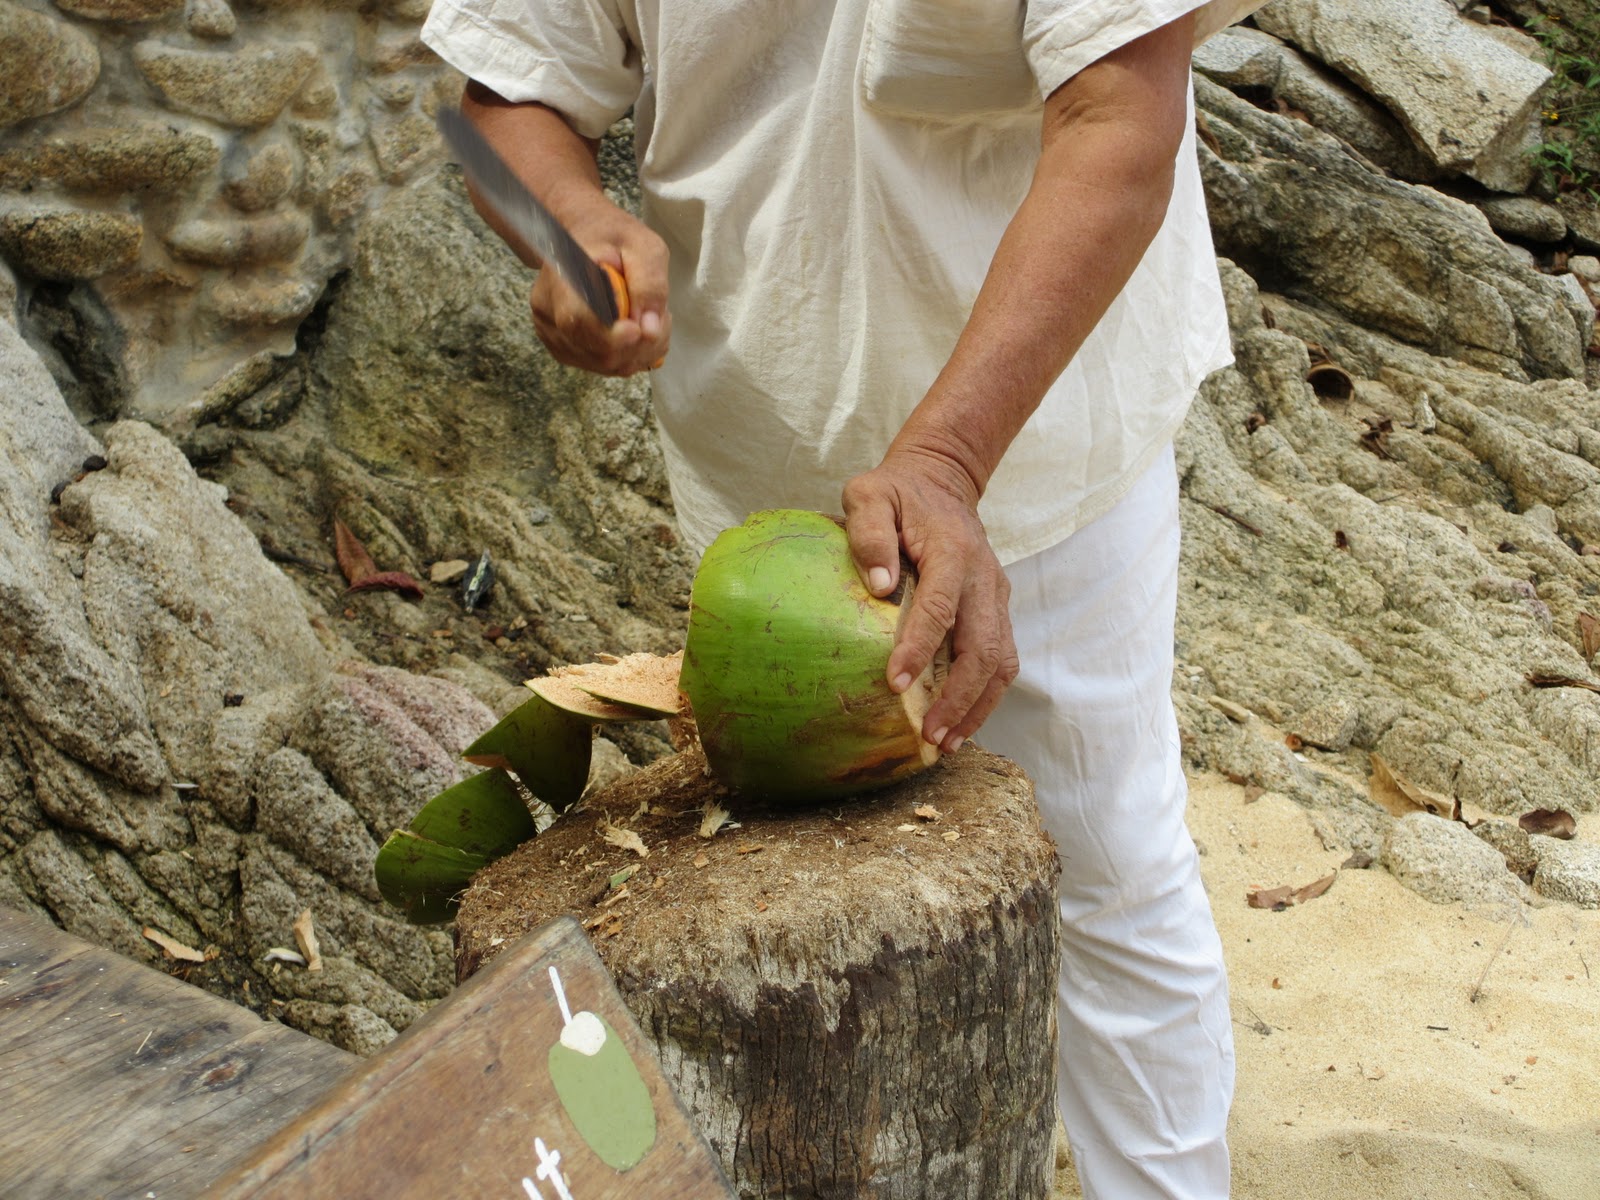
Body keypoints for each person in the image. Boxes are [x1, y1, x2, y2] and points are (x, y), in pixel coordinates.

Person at [422, 0, 1261, 1194]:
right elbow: (498, 100)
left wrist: (947, 462)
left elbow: (1121, 118)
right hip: (757, 459)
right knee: (812, 905)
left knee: (1108, 858)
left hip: (1035, 448)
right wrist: (570, 230)